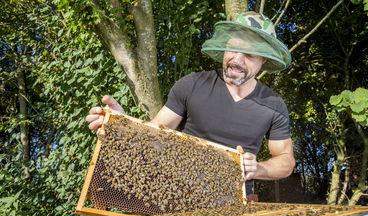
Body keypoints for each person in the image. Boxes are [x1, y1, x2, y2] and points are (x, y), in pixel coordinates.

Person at [86, 11, 295, 200]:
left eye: (249, 54)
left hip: (232, 204)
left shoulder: (273, 105)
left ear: (264, 60)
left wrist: (258, 169)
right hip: (176, 195)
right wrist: (123, 124)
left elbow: (286, 160)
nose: (236, 60)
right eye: (232, 48)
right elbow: (155, 135)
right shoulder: (193, 84)